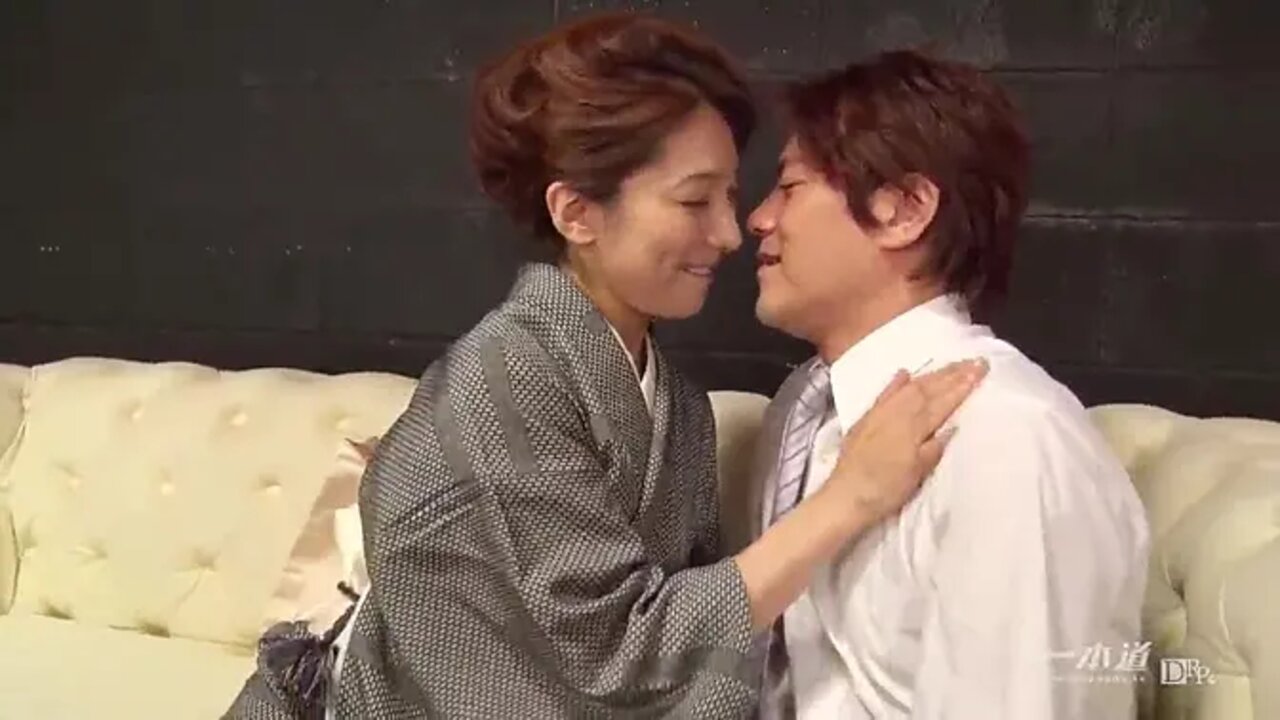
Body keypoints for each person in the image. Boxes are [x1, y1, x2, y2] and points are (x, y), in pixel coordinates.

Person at [225, 15, 987, 720]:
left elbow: (689, 647)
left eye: (731, 197)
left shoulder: (679, 408)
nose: (731, 232)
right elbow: (620, 658)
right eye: (694, 201)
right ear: (576, 213)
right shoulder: (499, 386)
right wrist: (849, 498)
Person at [746, 49, 1151, 718]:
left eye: (790, 187)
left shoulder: (1006, 437)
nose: (759, 219)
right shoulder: (806, 411)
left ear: (903, 209)